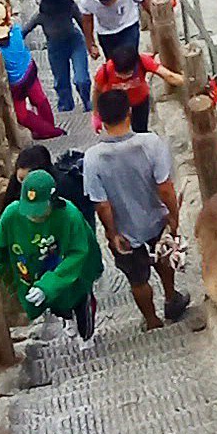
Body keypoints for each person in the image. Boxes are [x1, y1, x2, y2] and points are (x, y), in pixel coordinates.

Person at [84, 85, 189, 329]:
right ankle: (172, 298)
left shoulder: (93, 158)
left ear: (101, 118)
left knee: (137, 280)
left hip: (126, 231)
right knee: (164, 258)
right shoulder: (151, 143)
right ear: (129, 112)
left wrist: (113, 234)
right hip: (156, 220)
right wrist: (173, 218)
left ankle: (152, 320)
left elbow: (102, 205)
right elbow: (165, 188)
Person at [0, 167, 104, 343]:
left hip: (70, 274)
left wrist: (48, 286)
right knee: (54, 305)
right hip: (35, 273)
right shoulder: (12, 214)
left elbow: (78, 253)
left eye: (39, 210)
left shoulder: (70, 216)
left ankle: (86, 336)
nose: (33, 216)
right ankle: (65, 317)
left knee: (78, 301)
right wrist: (8, 281)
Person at [0, 4, 59, 144]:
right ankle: (51, 127)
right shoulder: (15, 30)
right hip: (30, 69)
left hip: (16, 84)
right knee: (40, 99)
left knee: (22, 115)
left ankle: (49, 131)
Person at [78, 0, 148, 83]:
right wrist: (90, 43)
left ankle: (138, 87)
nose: (109, 5)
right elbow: (87, 21)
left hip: (128, 26)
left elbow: (143, 1)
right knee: (114, 66)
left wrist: (153, 18)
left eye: (111, 1)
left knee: (130, 61)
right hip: (106, 33)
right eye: (105, 3)